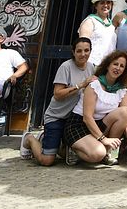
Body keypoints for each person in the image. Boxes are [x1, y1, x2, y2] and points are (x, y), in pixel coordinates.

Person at [63, 50, 127, 166]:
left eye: (122, 66)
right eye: (115, 64)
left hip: (99, 124)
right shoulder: (94, 85)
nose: (118, 68)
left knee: (124, 112)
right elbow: (87, 118)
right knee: (98, 154)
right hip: (79, 125)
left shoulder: (120, 89)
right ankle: (72, 149)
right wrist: (103, 139)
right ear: (108, 65)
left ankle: (109, 152)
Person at [21, 37, 95, 165]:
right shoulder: (66, 67)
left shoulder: (91, 67)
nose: (83, 54)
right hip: (56, 117)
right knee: (47, 160)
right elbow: (57, 94)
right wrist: (80, 85)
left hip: (73, 119)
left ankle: (47, 140)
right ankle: (29, 138)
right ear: (73, 52)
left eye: (86, 50)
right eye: (79, 51)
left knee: (71, 155)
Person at [78, 0, 117, 67]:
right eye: (102, 3)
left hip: (107, 66)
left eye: (108, 2)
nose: (105, 5)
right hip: (91, 65)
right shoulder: (90, 21)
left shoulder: (111, 26)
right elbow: (83, 44)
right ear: (96, 6)